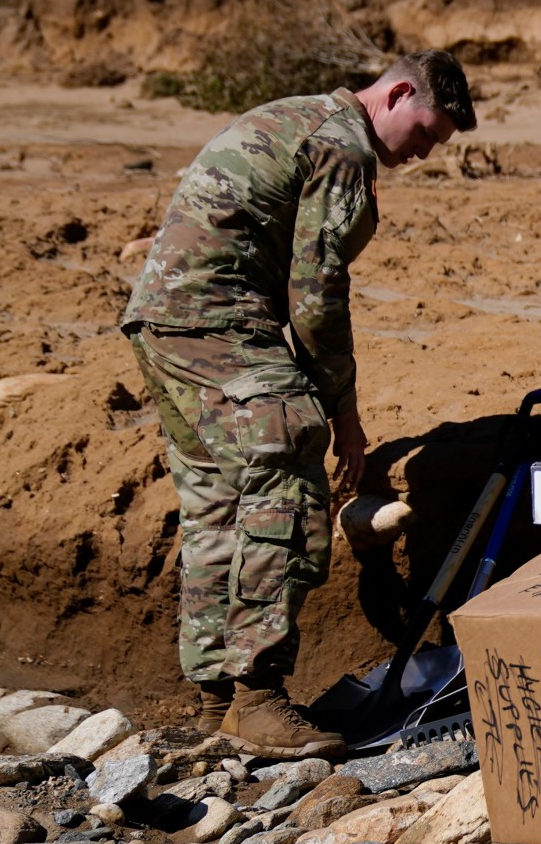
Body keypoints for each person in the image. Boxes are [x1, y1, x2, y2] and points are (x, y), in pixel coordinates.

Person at [124, 50, 476, 757]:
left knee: (218, 503)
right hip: (220, 322)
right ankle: (257, 697)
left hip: (164, 322)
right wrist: (343, 413)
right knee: (287, 474)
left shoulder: (300, 116)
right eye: (425, 133)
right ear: (399, 92)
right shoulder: (343, 147)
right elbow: (315, 297)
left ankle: (216, 699)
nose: (422, 153)